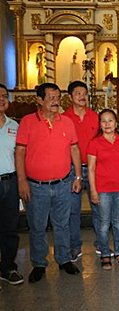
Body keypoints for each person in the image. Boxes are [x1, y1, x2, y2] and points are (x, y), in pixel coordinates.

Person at [15, 83, 82, 283]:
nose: (55, 101)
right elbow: (20, 152)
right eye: (51, 97)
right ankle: (39, 264)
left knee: (62, 224)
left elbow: (75, 149)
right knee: (37, 226)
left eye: (58, 97)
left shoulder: (67, 122)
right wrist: (22, 181)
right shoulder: (27, 122)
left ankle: (63, 259)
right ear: (39, 100)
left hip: (63, 183)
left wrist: (78, 176)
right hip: (36, 186)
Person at [88, 109, 119, 270]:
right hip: (103, 189)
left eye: (110, 120)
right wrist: (93, 190)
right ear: (100, 124)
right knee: (104, 223)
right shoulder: (95, 143)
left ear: (116, 123)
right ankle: (105, 253)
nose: (107, 124)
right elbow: (91, 169)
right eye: (104, 121)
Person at [62, 80, 100, 261]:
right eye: (78, 93)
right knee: (73, 210)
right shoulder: (64, 118)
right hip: (71, 169)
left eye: (84, 93)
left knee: (98, 207)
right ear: (70, 97)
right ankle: (74, 247)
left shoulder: (95, 116)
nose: (82, 96)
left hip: (94, 168)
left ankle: (101, 243)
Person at [0, 83, 24, 286]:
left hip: (9, 182)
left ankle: (7, 267)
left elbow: (21, 155)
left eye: (4, 96)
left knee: (9, 227)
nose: (1, 99)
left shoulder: (14, 126)